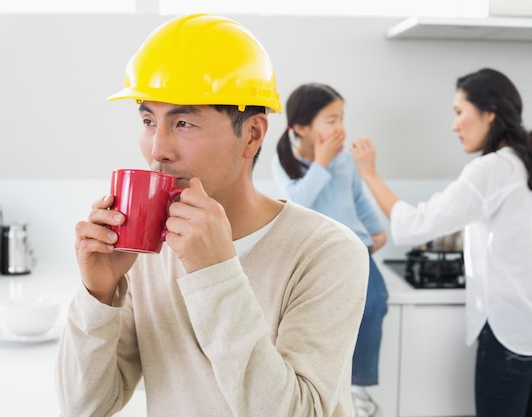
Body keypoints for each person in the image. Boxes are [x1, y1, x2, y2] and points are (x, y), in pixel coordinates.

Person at [55, 13, 370, 417]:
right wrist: (97, 295)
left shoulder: (328, 252)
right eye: (149, 121)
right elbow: (83, 407)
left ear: (253, 134)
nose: (157, 150)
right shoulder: (147, 254)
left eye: (183, 122)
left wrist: (215, 275)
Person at [359, 68, 532, 417]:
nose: (454, 124)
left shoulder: (492, 169)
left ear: (489, 112)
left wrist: (369, 173)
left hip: (514, 336)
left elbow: (415, 225)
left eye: (459, 112)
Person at [271, 83, 388, 417]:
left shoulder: (346, 162)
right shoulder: (286, 162)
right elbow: (296, 203)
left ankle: (359, 387)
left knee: (376, 302)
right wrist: (321, 162)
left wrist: (377, 231)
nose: (340, 128)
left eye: (341, 119)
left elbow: (357, 200)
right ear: (302, 128)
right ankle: (324, 383)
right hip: (314, 254)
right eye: (331, 120)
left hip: (356, 247)